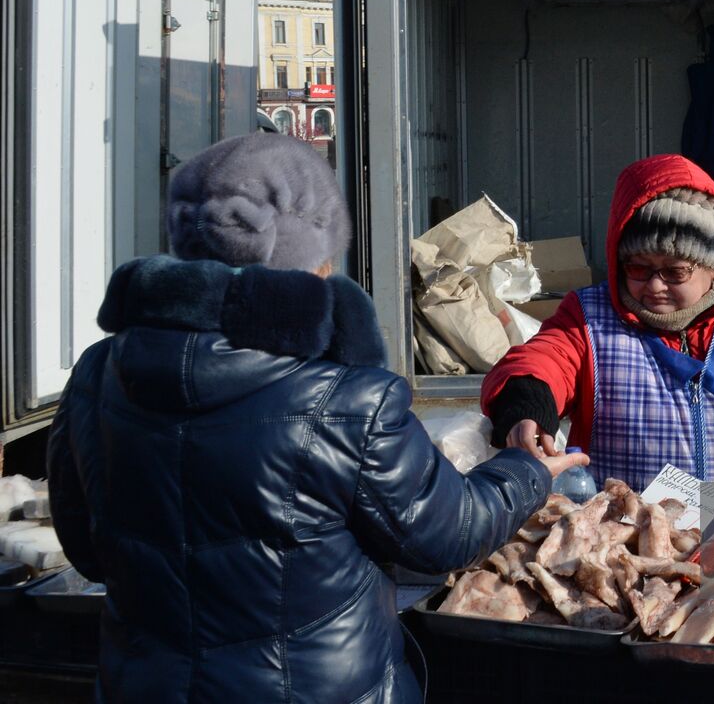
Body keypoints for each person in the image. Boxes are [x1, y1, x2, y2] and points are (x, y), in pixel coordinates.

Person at [47, 135, 581, 702]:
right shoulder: (346, 399)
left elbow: (85, 547)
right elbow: (447, 536)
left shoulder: (97, 374)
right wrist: (526, 472)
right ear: (313, 258)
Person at [482, 154, 714, 491]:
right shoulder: (589, 317)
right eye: (638, 268)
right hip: (633, 548)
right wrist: (526, 404)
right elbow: (545, 360)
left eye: (675, 271)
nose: (655, 286)